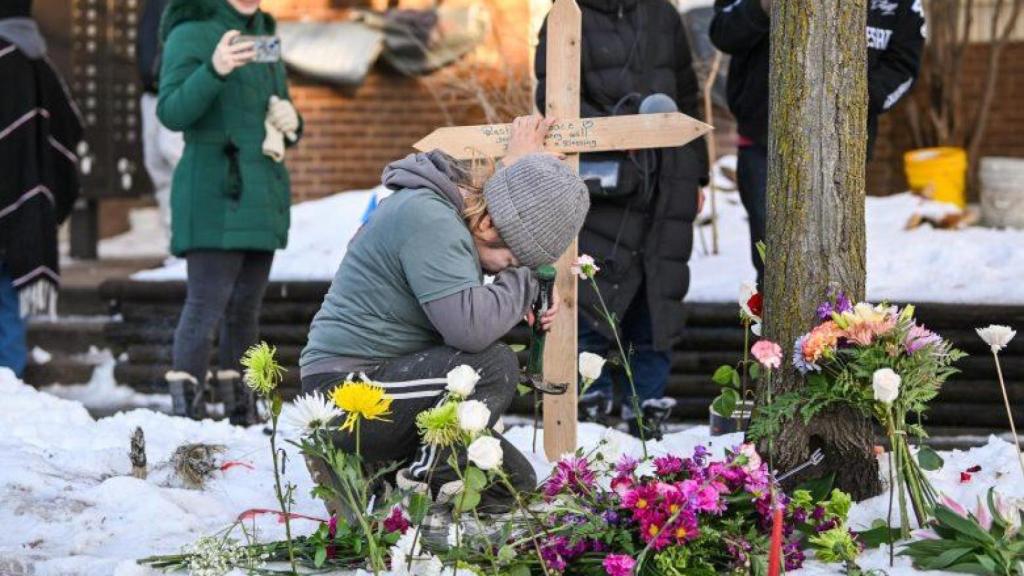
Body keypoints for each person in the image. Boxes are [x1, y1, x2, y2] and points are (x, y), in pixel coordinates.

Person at [299, 116, 589, 513]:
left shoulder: (455, 220)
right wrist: (523, 282)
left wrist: (525, 285)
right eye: (511, 259)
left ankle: (380, 470)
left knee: (513, 483)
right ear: (487, 222)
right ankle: (413, 487)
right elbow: (468, 331)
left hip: (393, 383)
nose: (507, 270)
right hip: (344, 391)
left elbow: (474, 296)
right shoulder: (430, 218)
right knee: (493, 365)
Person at [535, 0, 710, 440]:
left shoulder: (663, 14)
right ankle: (591, 412)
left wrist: (699, 172)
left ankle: (646, 409)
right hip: (602, 182)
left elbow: (687, 95)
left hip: (668, 178)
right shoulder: (565, 14)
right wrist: (620, 132)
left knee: (657, 294)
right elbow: (552, 102)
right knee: (593, 292)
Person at [710, 0, 926, 287]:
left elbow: (904, 63)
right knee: (775, 267)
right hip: (765, 143)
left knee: (834, 262)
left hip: (844, 147)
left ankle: (836, 332)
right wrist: (762, 7)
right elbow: (723, 32)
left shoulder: (902, 5)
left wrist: (855, 97)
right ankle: (771, 330)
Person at [158, 0, 303, 423]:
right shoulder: (192, 30)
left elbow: (275, 110)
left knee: (246, 310)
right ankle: (187, 419)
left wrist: (291, 122)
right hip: (211, 189)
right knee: (206, 304)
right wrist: (214, 68)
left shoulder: (263, 33)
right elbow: (171, 111)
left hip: (261, 190)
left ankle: (244, 413)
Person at [0, 0, 83, 378]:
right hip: (27, 215)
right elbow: (69, 132)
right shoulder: (42, 65)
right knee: (9, 301)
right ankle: (10, 386)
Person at [137, 0, 184, 240]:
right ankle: (173, 243)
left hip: (176, 88)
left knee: (175, 156)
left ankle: (187, 239)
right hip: (150, 90)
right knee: (156, 165)